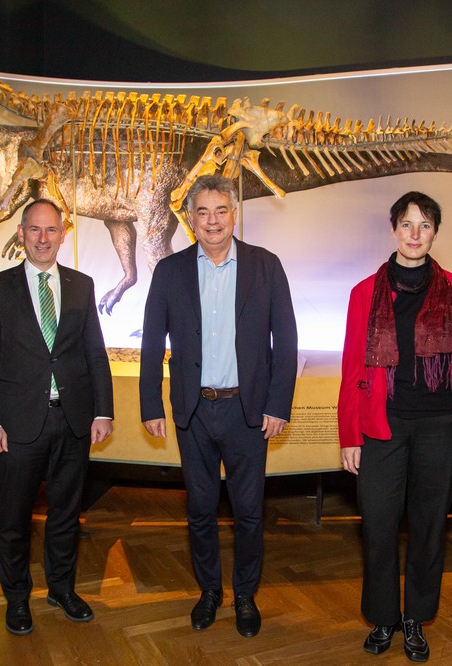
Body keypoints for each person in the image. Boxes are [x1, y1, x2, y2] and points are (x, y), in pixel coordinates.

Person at [139, 174, 298, 638]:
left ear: (234, 214)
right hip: (193, 411)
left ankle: (245, 595)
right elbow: (152, 344)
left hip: (247, 413)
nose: (212, 221)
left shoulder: (265, 266)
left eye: (221, 210)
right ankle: (209, 591)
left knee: (249, 512)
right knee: (200, 511)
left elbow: (285, 341)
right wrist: (151, 403)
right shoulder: (169, 272)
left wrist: (278, 404)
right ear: (190, 219)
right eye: (202, 212)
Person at [337, 191, 452, 661]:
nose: (415, 234)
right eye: (407, 224)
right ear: (393, 230)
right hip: (382, 428)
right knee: (379, 527)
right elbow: (351, 369)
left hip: (441, 429)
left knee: (428, 529)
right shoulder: (365, 292)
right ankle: (384, 618)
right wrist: (349, 435)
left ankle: (414, 619)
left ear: (435, 233)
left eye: (425, 225)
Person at [0, 199, 114, 636]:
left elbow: (94, 351)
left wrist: (103, 410)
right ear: (20, 234)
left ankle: (61, 589)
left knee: (67, 514)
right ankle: (17, 598)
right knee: (13, 518)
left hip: (72, 421)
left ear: (62, 234)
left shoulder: (81, 285)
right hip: (18, 427)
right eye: (34, 230)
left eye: (51, 230)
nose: (42, 238)